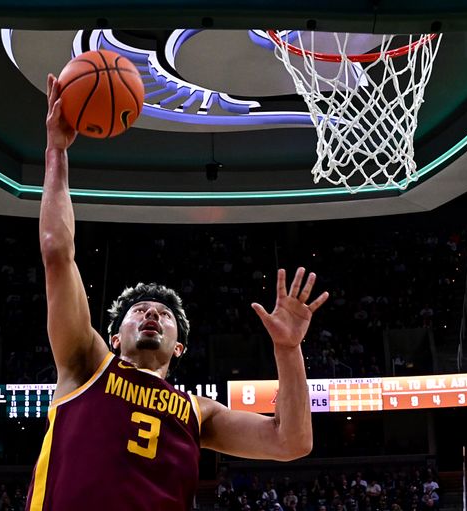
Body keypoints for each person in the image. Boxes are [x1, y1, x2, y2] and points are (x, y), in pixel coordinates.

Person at [26, 74, 329, 510]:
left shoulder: (198, 412)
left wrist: (288, 350)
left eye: (163, 315)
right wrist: (56, 151)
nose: (151, 315)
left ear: (179, 347)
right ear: (114, 338)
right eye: (139, 311)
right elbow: (57, 252)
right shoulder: (86, 364)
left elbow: (292, 442)